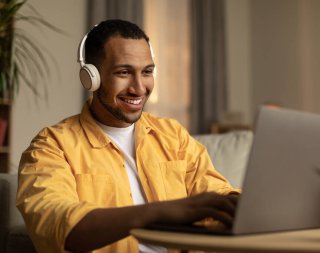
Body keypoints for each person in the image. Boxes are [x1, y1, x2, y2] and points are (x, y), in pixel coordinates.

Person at [16, 19, 239, 253]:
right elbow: (58, 226)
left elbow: (217, 194)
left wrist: (242, 205)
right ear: (91, 77)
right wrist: (161, 211)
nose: (139, 88)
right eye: (123, 72)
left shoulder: (173, 135)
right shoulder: (51, 146)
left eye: (147, 72)